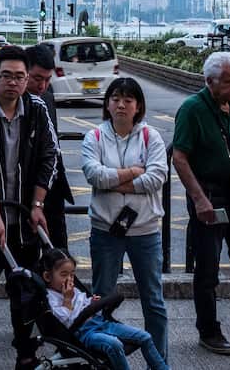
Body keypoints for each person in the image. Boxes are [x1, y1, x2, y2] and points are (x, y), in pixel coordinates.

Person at [0, 44, 59, 370]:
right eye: (6, 75)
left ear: (27, 78)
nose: (13, 82)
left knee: (26, 296)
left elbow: (50, 155)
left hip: (24, 224)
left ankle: (25, 354)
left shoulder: (37, 108)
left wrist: (38, 204)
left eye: (20, 76)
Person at [170, 51, 230, 355]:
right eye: (229, 82)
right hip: (209, 194)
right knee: (208, 268)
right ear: (210, 81)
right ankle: (208, 330)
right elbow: (179, 157)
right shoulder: (192, 109)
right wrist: (199, 199)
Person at [81, 77, 169, 361]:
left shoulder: (151, 136)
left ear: (138, 106)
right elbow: (94, 175)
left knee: (153, 301)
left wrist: (114, 183)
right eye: (115, 99)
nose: (121, 104)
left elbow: (157, 177)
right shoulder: (94, 137)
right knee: (101, 299)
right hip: (105, 230)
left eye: (128, 100)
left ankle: (159, 361)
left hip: (145, 231)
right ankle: (102, 358)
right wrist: (133, 172)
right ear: (107, 104)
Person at [38, 247, 170, 370]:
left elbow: (82, 302)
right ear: (48, 277)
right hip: (83, 333)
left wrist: (92, 302)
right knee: (114, 345)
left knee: (145, 337)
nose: (69, 279)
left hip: (99, 322)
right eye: (64, 274)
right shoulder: (50, 298)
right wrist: (67, 300)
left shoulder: (73, 290)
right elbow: (63, 323)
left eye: (72, 275)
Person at [24, 43, 76, 251]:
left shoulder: (46, 95)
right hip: (22, 190)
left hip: (51, 187)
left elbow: (51, 144)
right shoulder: (9, 99)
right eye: (37, 78)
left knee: (58, 252)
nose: (42, 85)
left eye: (47, 80)